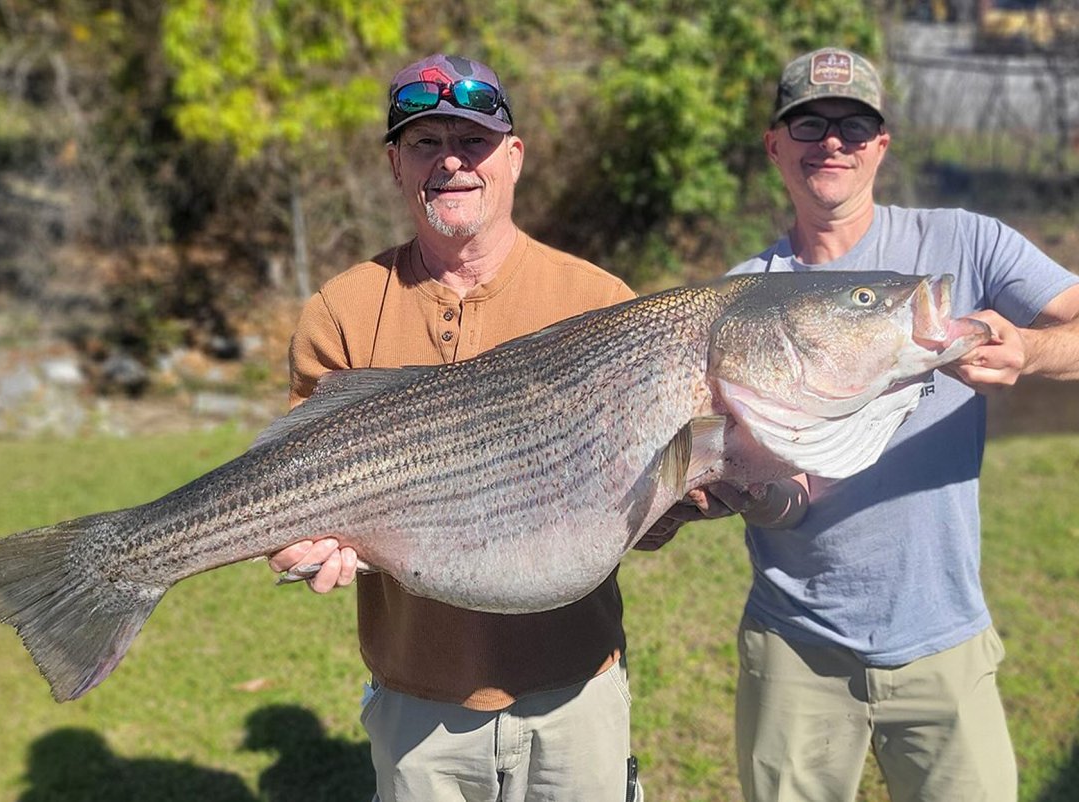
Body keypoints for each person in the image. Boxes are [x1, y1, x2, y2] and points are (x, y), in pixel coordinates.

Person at [267, 54, 648, 802]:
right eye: (424, 142)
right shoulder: (341, 310)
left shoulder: (603, 304)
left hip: (578, 692)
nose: (450, 161)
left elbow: (656, 498)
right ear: (394, 165)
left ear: (514, 157)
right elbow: (291, 483)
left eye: (472, 141)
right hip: (418, 705)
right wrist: (297, 540)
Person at [727, 47, 1079, 802]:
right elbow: (779, 498)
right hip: (796, 650)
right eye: (808, 123)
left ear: (881, 145)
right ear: (775, 144)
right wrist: (749, 490)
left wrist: (1033, 352)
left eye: (854, 126)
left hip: (945, 640)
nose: (832, 142)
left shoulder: (964, 243)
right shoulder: (741, 300)